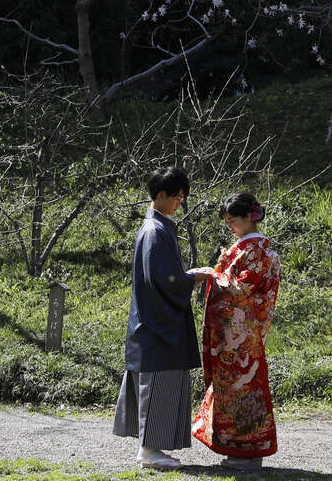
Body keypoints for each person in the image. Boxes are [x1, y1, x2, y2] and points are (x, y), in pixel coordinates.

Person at [113, 167, 213, 470]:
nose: (179, 203)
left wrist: (187, 277)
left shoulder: (156, 227)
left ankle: (151, 448)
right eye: (177, 197)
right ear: (161, 195)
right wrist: (193, 277)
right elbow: (166, 280)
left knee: (157, 387)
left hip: (153, 324)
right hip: (158, 328)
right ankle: (148, 451)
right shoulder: (155, 231)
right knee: (157, 387)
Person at [191, 192, 281, 470]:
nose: (230, 225)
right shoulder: (250, 248)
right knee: (237, 388)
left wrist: (212, 274)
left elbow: (242, 289)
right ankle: (241, 451)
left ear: (248, 218)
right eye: (227, 221)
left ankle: (250, 453)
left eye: (233, 220)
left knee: (243, 388)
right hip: (239, 335)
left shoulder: (256, 250)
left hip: (240, 336)